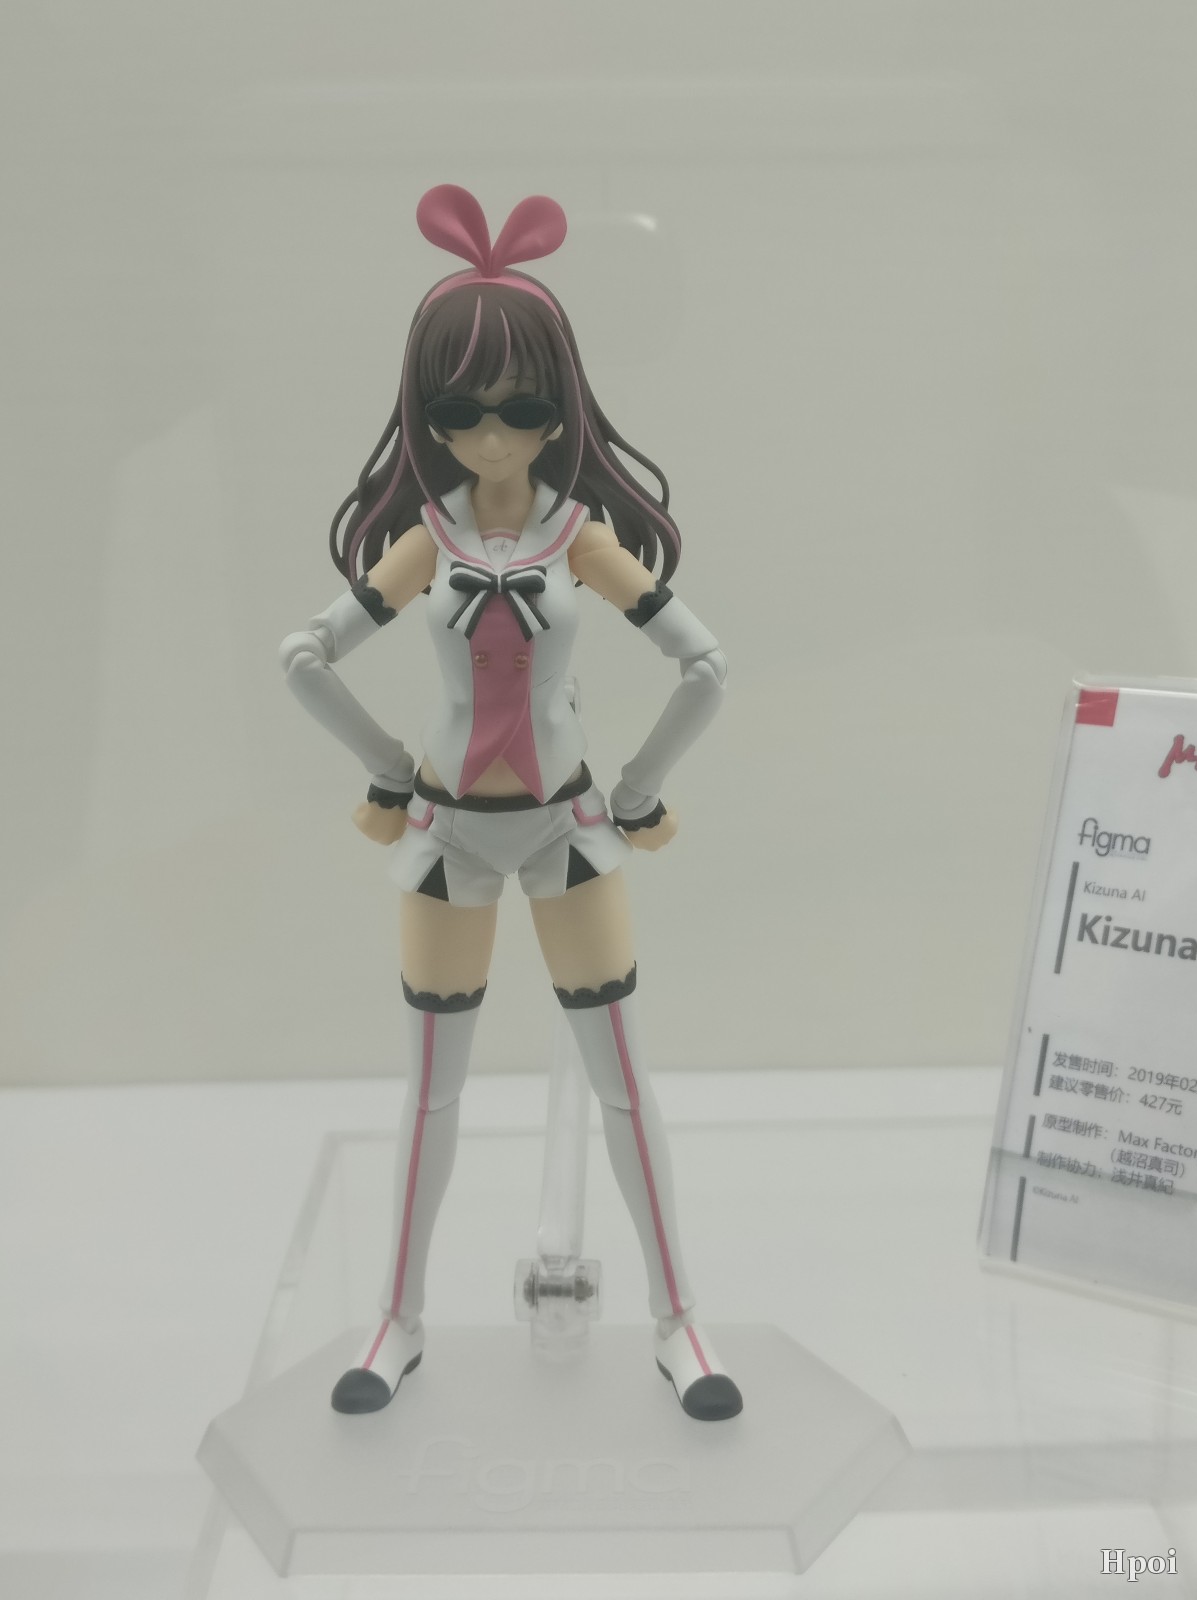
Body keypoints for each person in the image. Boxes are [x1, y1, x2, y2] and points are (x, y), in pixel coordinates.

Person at [279, 185, 741, 1422]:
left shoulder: (579, 537)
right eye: (462, 411)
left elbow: (706, 664)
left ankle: (681, 1321)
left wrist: (639, 789)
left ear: (561, 409)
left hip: (572, 833)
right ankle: (398, 1317)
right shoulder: (425, 541)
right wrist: (387, 766)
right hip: (445, 841)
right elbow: (303, 657)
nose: (492, 435)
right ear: (428, 417)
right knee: (433, 1089)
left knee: (621, 1078)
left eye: (522, 409)